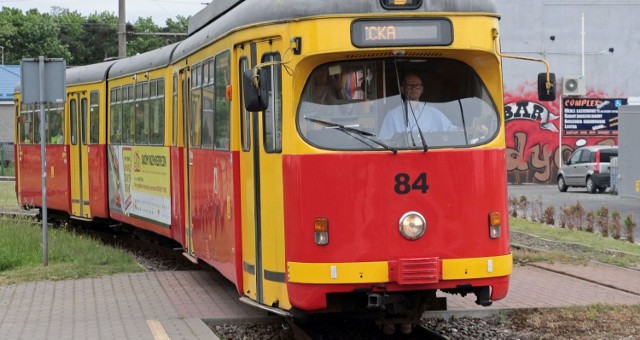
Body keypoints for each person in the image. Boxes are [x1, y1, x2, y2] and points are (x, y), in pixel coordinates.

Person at [378, 73, 455, 140]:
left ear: (421, 89)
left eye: (417, 86)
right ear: (402, 89)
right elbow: (384, 141)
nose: (413, 88)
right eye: (409, 86)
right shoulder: (392, 115)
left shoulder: (434, 113)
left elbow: (454, 132)